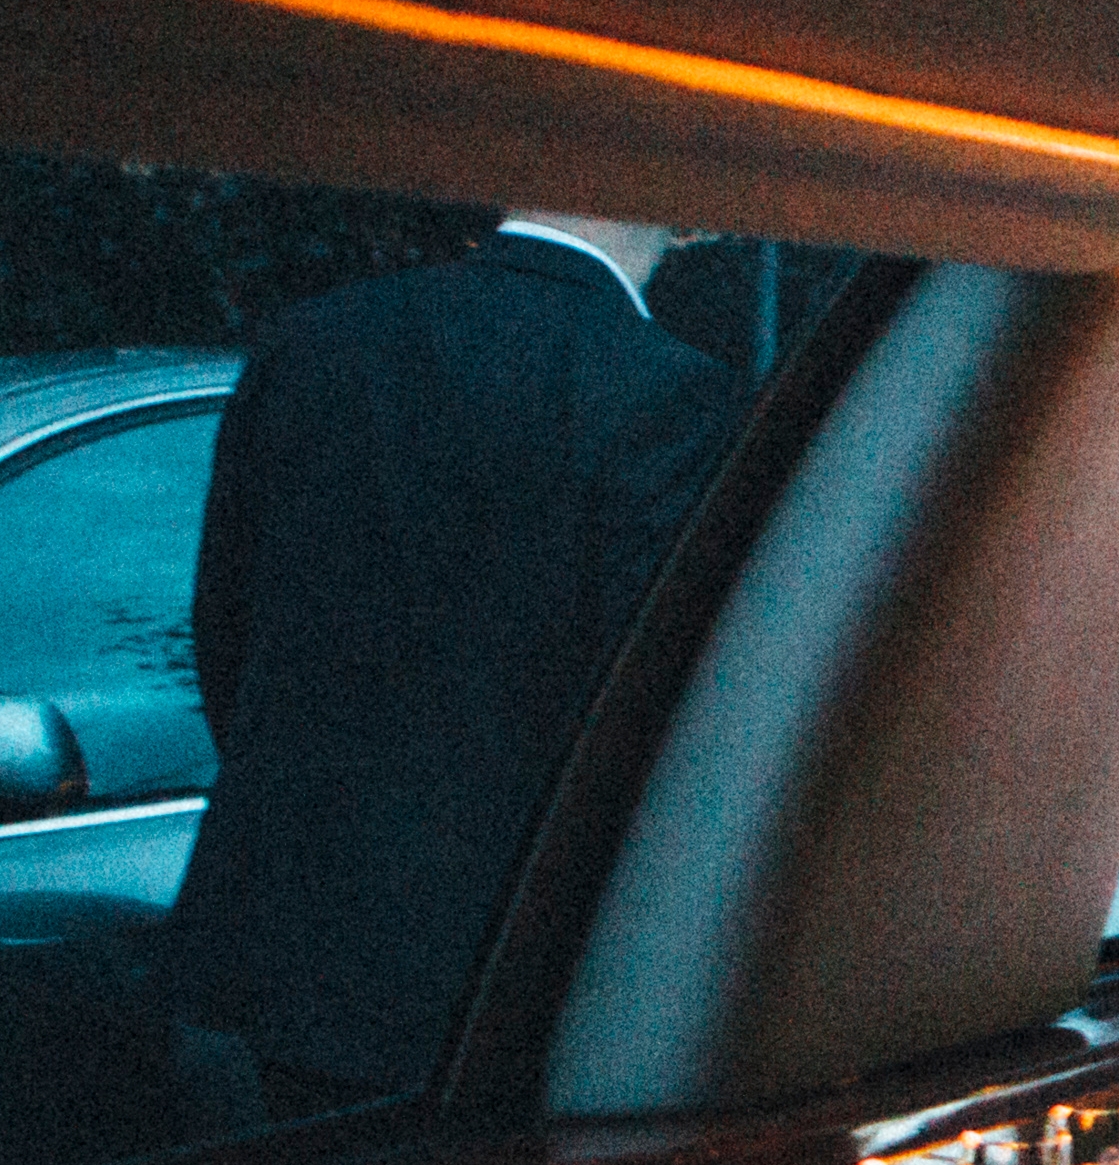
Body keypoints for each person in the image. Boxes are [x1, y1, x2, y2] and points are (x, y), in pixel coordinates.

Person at [160, 211, 741, 1112]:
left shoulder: (318, 341)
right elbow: (652, 706)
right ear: (682, 218)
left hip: (289, 944)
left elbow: (227, 622)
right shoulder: (666, 395)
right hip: (498, 972)